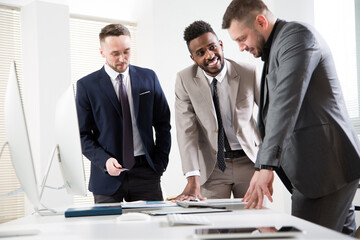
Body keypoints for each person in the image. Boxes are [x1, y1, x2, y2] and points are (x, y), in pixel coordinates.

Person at [222, 0, 360, 235]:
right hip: (322, 169)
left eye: (242, 38)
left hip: (326, 171)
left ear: (261, 22)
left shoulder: (297, 37)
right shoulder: (277, 46)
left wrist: (265, 165)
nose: (241, 47)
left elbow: (285, 104)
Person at [76, 24, 171, 203]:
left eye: (126, 51)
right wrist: (104, 161)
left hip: (146, 173)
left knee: (153, 229)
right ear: (102, 52)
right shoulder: (87, 86)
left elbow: (163, 124)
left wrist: (160, 163)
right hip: (107, 177)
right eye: (115, 53)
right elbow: (82, 135)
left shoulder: (148, 77)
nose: (122, 58)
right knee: (108, 231)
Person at [174, 20, 260, 201]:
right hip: (212, 168)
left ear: (220, 45)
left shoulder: (248, 72)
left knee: (251, 223)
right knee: (211, 226)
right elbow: (186, 130)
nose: (210, 55)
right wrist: (192, 176)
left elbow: (271, 116)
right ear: (193, 58)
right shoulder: (185, 79)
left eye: (212, 47)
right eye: (201, 52)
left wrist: (268, 162)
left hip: (249, 162)